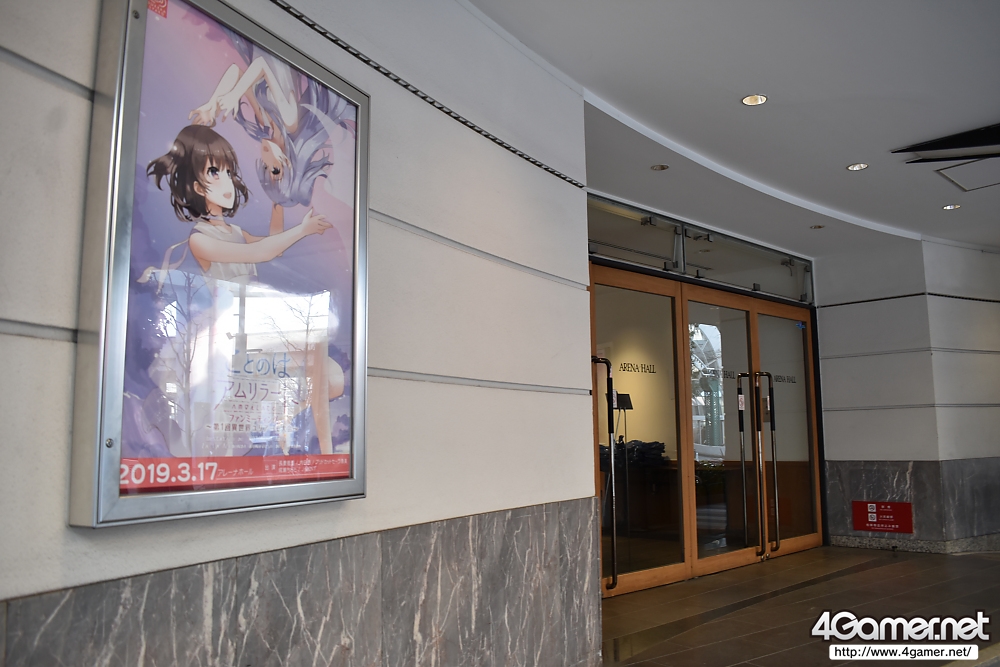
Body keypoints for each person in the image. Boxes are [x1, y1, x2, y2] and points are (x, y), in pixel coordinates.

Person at [143, 124, 343, 455]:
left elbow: (271, 246)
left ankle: (292, 426)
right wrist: (303, 230)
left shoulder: (235, 231)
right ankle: (325, 450)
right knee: (317, 338)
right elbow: (260, 253)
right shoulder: (200, 239)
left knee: (333, 378)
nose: (226, 182)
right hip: (228, 331)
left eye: (228, 172)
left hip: (255, 326)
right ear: (197, 186)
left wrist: (278, 201)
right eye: (214, 172)